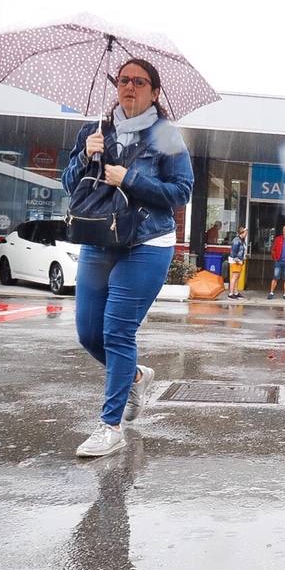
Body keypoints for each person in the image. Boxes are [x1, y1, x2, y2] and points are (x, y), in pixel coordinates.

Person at [62, 58, 193, 458]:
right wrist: (86, 156)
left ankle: (110, 426)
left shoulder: (166, 136)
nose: (129, 87)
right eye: (123, 80)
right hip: (98, 238)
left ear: (155, 92)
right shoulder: (95, 131)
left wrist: (130, 178)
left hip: (147, 243)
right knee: (89, 333)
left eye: (139, 82)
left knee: (118, 332)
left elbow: (181, 191)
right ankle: (135, 375)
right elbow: (68, 183)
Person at [227, 226, 247, 299]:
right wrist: (238, 261)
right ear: (242, 232)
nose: (246, 234)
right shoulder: (237, 240)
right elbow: (233, 253)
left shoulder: (241, 240)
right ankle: (231, 293)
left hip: (239, 260)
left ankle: (235, 292)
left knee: (237, 277)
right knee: (234, 277)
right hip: (236, 261)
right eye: (245, 232)